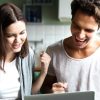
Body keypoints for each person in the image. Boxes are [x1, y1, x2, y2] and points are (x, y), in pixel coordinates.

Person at [40, 0, 100, 100]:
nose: (80, 36)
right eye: (76, 26)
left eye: (88, 30)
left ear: (98, 28)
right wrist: (51, 91)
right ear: (71, 20)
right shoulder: (53, 51)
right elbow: (44, 87)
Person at [0, 3, 51, 100]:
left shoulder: (28, 55)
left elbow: (29, 93)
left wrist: (44, 71)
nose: (18, 40)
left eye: (22, 33)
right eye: (11, 35)